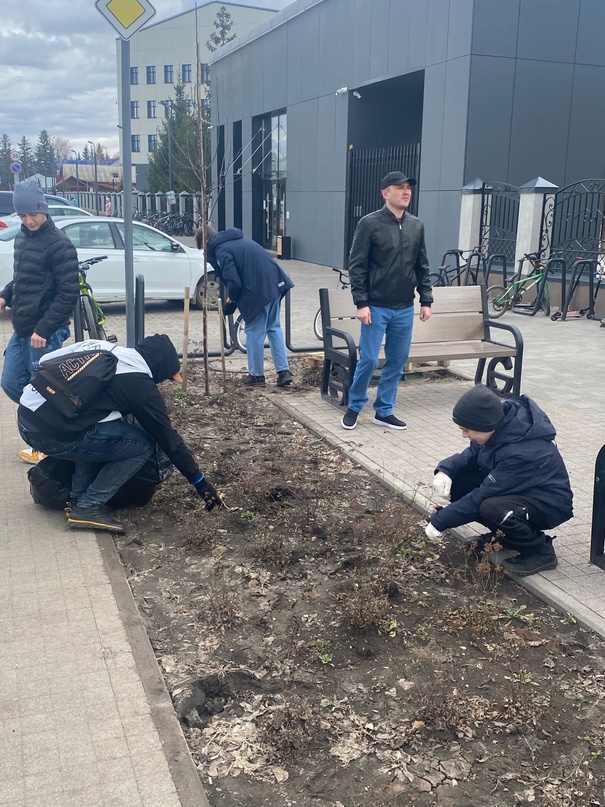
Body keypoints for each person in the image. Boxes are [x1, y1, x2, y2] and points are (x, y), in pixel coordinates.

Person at [17, 334, 222, 533]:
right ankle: (89, 505)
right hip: (50, 436)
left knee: (93, 427)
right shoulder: (141, 387)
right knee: (141, 447)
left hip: (26, 417)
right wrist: (200, 482)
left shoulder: (101, 346)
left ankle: (77, 498)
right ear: (159, 369)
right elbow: (169, 439)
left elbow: (44, 361)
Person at [424, 384, 574, 576]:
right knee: (461, 480)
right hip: (521, 492)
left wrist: (441, 520)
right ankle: (506, 537)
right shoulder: (497, 428)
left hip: (548, 503)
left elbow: (481, 495)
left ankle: (540, 551)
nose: (464, 435)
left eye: (466, 430)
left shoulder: (521, 452)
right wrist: (445, 470)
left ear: (485, 426)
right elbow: (472, 454)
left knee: (492, 507)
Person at [341, 171, 433, 431]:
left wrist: (426, 300)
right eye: (399, 187)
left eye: (408, 188)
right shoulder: (369, 224)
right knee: (369, 359)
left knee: (397, 360)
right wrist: (361, 303)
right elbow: (357, 265)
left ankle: (384, 411)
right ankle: (355, 406)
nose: (406, 192)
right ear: (385, 193)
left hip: (404, 308)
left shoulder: (416, 225)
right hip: (376, 307)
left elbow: (422, 265)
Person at [0, 179, 79, 463]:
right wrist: (5, 295)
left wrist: (44, 329)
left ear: (43, 209)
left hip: (45, 332)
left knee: (46, 390)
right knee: (11, 383)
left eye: (33, 214)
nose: (28, 220)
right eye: (23, 215)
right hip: (22, 327)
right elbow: (23, 280)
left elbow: (68, 293)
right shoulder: (22, 238)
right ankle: (48, 435)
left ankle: (51, 447)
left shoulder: (59, 244)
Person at [197, 224, 294, 388]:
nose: (205, 254)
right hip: (275, 284)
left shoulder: (221, 250)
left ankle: (256, 375)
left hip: (258, 292)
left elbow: (234, 281)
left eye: (202, 249)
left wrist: (231, 300)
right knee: (273, 328)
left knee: (254, 331)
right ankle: (284, 372)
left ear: (204, 242)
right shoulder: (238, 240)